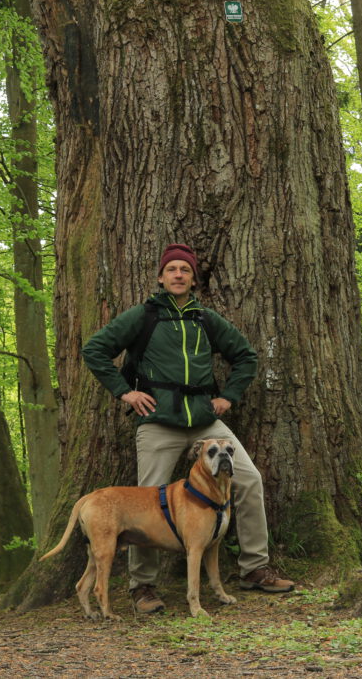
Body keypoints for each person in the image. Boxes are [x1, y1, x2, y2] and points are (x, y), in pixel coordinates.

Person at [82, 243, 294, 614]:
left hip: (204, 421)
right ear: (161, 277)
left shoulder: (205, 319)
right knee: (145, 500)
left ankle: (254, 568)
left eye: (185, 270)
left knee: (249, 479)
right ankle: (143, 587)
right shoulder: (143, 316)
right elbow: (95, 349)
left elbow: (245, 356)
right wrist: (125, 393)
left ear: (193, 279)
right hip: (158, 421)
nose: (178, 275)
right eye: (172, 270)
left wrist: (228, 395)